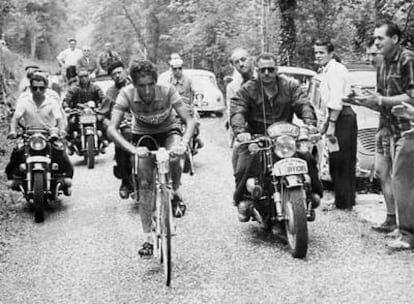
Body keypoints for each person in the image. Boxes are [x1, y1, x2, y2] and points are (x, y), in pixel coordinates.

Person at [107, 59, 196, 257]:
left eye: (150, 85)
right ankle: (147, 237)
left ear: (156, 82)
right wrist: (132, 150)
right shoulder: (126, 94)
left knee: (174, 158)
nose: (147, 91)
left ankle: (174, 190)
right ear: (133, 83)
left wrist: (184, 143)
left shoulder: (167, 89)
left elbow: (189, 119)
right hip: (142, 135)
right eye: (141, 86)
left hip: (168, 131)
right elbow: (112, 129)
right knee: (145, 184)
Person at [230, 52, 323, 221]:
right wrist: (241, 131)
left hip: (285, 139)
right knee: (244, 164)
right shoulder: (247, 90)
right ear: (257, 70)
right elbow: (238, 109)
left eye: (270, 69)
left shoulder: (289, 86)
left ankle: (313, 195)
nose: (267, 73)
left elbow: (303, 103)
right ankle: (242, 200)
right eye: (263, 70)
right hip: (258, 138)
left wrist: (309, 122)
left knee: (307, 157)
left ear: (276, 70)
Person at [356, 22, 414, 250]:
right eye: (375, 38)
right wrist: (363, 101)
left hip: (409, 127)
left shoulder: (407, 59)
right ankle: (399, 227)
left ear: (396, 39)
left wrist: (380, 101)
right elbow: (381, 99)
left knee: (402, 181)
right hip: (390, 128)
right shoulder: (382, 64)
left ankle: (408, 235)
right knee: (389, 176)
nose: (377, 43)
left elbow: (411, 97)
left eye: (381, 38)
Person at [6, 73, 73, 194]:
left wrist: (61, 130)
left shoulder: (52, 102)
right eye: (35, 88)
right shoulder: (25, 101)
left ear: (46, 88)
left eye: (41, 88)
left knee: (60, 152)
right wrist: (12, 131)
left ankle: (66, 178)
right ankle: (13, 177)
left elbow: (59, 119)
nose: (38, 91)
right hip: (29, 135)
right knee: (17, 153)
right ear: (30, 88)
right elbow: (15, 118)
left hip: (49, 135)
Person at [314, 39, 357, 211]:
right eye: (316, 52)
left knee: (342, 160)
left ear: (330, 53)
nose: (318, 56)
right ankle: (343, 200)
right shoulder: (326, 70)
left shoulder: (336, 70)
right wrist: (324, 126)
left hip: (342, 118)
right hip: (335, 117)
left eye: (321, 52)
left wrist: (331, 124)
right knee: (335, 158)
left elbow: (337, 100)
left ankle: (344, 203)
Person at [97, 60, 132, 198]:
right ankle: (125, 181)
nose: (117, 76)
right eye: (114, 74)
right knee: (121, 145)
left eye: (119, 72)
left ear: (125, 71)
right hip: (123, 127)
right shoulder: (111, 93)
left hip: (142, 123)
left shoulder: (137, 85)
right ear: (111, 77)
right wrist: (111, 126)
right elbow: (101, 115)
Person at [164, 57, 203, 152]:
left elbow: (197, 90)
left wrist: (199, 100)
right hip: (172, 110)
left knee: (195, 121)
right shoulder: (168, 81)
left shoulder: (188, 79)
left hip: (187, 109)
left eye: (179, 68)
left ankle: (195, 139)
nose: (177, 71)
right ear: (171, 69)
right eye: (175, 69)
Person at [62, 68, 106, 153]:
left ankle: (103, 140)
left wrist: (102, 106)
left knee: (101, 120)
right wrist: (67, 107)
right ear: (78, 78)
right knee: (71, 122)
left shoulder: (95, 87)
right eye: (81, 76)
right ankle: (71, 143)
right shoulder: (74, 88)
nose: (84, 78)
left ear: (89, 76)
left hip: (93, 112)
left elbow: (103, 98)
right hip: (78, 113)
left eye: (85, 76)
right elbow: (66, 100)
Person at [227, 48, 255, 168]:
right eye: (237, 62)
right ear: (233, 66)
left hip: (271, 128)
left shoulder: (266, 76)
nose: (241, 64)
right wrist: (240, 131)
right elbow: (233, 112)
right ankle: (240, 186)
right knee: (240, 165)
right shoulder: (233, 87)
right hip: (247, 131)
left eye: (243, 59)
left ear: (251, 59)